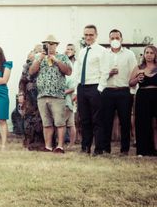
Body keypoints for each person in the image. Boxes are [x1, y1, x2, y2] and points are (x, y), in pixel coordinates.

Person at [29, 35, 72, 153]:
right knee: (46, 123)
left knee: (59, 122)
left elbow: (68, 71)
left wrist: (56, 60)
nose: (50, 46)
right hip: (42, 95)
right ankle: (48, 146)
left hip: (57, 95)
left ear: (56, 45)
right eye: (47, 43)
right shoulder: (39, 57)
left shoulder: (62, 57)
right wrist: (40, 59)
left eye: (52, 43)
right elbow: (31, 71)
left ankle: (60, 146)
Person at [99, 29, 137, 155]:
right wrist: (108, 74)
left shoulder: (129, 54)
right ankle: (106, 149)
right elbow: (100, 72)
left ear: (121, 39)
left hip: (124, 92)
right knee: (106, 121)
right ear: (109, 40)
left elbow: (134, 71)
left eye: (117, 37)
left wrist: (132, 91)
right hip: (107, 91)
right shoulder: (104, 54)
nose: (115, 40)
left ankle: (125, 149)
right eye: (112, 38)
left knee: (125, 121)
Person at [74, 24, 107, 155]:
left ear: (96, 35)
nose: (88, 37)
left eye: (91, 35)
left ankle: (98, 149)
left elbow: (105, 71)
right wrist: (77, 90)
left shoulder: (102, 51)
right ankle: (85, 147)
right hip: (82, 88)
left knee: (97, 120)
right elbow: (77, 72)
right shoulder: (82, 52)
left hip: (95, 87)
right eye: (86, 35)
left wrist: (99, 89)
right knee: (84, 119)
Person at [130, 45, 157, 156]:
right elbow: (130, 83)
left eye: (151, 53)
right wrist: (137, 79)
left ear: (155, 55)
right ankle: (142, 150)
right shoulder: (138, 67)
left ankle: (155, 149)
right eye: (147, 52)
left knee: (155, 124)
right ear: (144, 54)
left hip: (156, 96)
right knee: (142, 122)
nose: (149, 55)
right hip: (142, 96)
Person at [19, 45, 44, 150]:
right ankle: (29, 142)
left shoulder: (47, 64)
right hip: (30, 96)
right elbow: (22, 81)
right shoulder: (27, 66)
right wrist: (21, 94)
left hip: (43, 95)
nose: (38, 53)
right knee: (29, 119)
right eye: (36, 51)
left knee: (42, 119)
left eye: (41, 51)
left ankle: (42, 142)